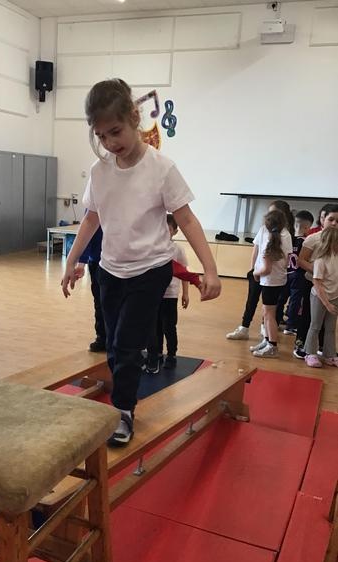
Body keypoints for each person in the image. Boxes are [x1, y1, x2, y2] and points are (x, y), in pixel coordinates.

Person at [61, 78, 220, 447]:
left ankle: (123, 409)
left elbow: (187, 220)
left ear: (134, 118)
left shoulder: (161, 168)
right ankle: (123, 394)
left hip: (151, 269)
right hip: (109, 270)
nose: (109, 142)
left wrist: (210, 270)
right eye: (100, 135)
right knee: (114, 344)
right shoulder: (100, 171)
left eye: (115, 131)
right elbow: (90, 219)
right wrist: (72, 260)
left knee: (127, 343)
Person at [226, 199, 293, 341]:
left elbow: (283, 259)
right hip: (258, 272)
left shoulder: (285, 235)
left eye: (273, 213)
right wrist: (253, 270)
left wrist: (262, 271)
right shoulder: (263, 229)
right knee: (251, 300)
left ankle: (266, 331)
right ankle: (244, 328)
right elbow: (256, 249)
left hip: (270, 276)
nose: (269, 216)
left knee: (268, 306)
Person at [145, 214, 190, 373]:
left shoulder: (177, 249)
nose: (164, 232)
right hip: (154, 294)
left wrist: (185, 293)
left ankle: (171, 355)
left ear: (175, 231)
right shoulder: (152, 247)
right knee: (155, 325)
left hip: (170, 294)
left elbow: (184, 272)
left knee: (169, 326)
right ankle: (157, 352)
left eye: (168, 229)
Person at [294, 205, 338, 359]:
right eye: (331, 219)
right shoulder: (313, 238)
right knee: (309, 315)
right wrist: (318, 271)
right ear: (323, 219)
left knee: (329, 320)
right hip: (312, 282)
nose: (334, 223)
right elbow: (301, 260)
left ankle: (325, 349)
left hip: (332, 285)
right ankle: (302, 346)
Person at [250, 209, 293, 358]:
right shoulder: (286, 235)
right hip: (280, 279)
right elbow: (287, 260)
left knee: (269, 315)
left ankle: (272, 346)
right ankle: (267, 340)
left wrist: (255, 273)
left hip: (269, 281)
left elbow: (266, 269)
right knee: (267, 311)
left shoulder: (270, 241)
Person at [303, 227, 338, 368]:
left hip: (334, 296)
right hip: (319, 297)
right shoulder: (321, 260)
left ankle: (330, 355)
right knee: (315, 326)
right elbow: (317, 283)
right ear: (331, 242)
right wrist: (327, 304)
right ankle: (310, 353)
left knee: (330, 328)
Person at [276, 209, 314, 335]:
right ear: (307, 227)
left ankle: (276, 320)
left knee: (281, 298)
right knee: (295, 300)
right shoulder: (306, 242)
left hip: (286, 272)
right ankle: (291, 325)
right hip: (298, 275)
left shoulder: (288, 238)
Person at [75, 226, 106, 352]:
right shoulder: (94, 213)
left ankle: (118, 339)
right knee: (99, 301)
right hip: (97, 261)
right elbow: (87, 234)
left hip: (118, 262)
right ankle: (102, 338)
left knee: (118, 303)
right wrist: (81, 263)